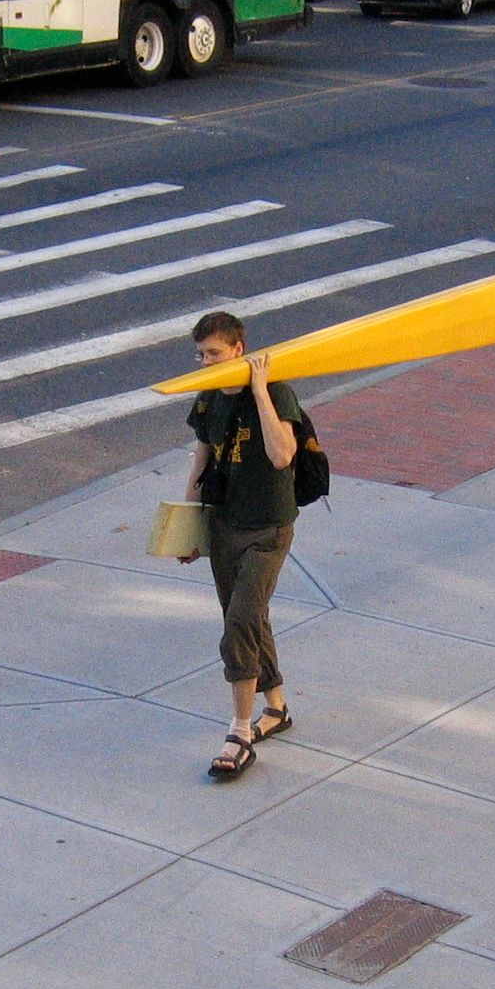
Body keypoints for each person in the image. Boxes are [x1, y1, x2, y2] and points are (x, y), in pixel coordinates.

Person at [180, 311, 300, 779]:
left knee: (240, 623)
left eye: (214, 354)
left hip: (268, 528)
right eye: (201, 355)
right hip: (224, 525)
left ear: (238, 349)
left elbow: (281, 455)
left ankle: (239, 733)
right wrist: (188, 525)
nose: (206, 363)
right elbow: (201, 460)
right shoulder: (209, 397)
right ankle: (276, 707)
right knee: (249, 619)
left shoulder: (277, 392)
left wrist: (261, 391)